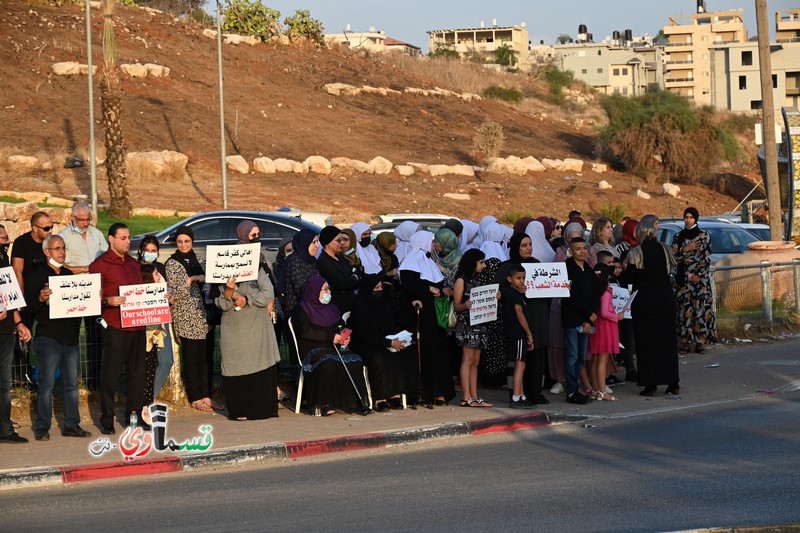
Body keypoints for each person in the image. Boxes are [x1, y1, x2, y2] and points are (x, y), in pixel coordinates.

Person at [27, 235, 92, 440]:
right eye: (57, 249)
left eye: (63, 248)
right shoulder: (36, 276)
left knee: (71, 384)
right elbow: (29, 307)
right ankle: (42, 426)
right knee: (46, 384)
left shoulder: (67, 274)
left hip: (70, 337)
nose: (62, 252)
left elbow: (80, 303)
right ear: (47, 252)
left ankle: (71, 424)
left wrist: (92, 297)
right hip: (49, 337)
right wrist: (40, 298)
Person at [215, 222, 281, 420]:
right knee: (236, 366)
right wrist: (229, 291)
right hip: (235, 328)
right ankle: (239, 410)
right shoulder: (223, 272)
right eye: (253, 235)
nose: (257, 238)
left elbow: (268, 293)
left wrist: (248, 300)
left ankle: (261, 409)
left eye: (258, 234)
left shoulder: (259, 267)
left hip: (257, 328)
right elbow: (223, 302)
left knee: (260, 365)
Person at [90, 223, 147, 434]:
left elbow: (141, 292)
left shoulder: (133, 264)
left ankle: (134, 416)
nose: (127, 241)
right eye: (123, 238)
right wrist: (108, 301)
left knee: (137, 374)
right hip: (114, 326)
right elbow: (90, 298)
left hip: (137, 326)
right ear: (111, 239)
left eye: (129, 237)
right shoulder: (99, 265)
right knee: (111, 375)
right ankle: (106, 417)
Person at [620, 215, 680, 396]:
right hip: (666, 303)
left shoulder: (636, 252)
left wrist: (620, 270)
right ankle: (673, 383)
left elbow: (630, 278)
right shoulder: (665, 249)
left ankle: (650, 384)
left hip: (645, 305)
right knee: (667, 345)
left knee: (647, 346)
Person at [293, 276, 369, 416]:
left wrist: (345, 336)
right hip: (312, 348)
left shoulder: (332, 308)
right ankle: (324, 403)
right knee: (328, 361)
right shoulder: (302, 309)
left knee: (355, 360)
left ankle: (352, 401)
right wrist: (328, 336)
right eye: (325, 289)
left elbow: (341, 325)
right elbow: (304, 331)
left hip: (334, 347)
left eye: (329, 289)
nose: (329, 292)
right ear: (314, 291)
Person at [164, 226, 217, 414]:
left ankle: (206, 394)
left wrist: (201, 280)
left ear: (192, 241)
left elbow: (212, 282)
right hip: (186, 317)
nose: (184, 245)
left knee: (206, 358)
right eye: (180, 242)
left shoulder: (200, 259)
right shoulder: (172, 264)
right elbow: (177, 293)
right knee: (192, 359)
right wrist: (194, 279)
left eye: (187, 241)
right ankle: (195, 397)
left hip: (204, 317)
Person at [398, 231, 455, 407]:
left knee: (438, 352)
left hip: (435, 316)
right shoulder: (410, 262)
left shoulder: (427, 260)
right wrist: (429, 289)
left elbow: (437, 281)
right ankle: (425, 392)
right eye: (431, 242)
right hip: (421, 316)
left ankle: (439, 391)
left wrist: (443, 289)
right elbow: (408, 287)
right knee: (425, 353)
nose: (433, 245)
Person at [349, 274, 421, 411]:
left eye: (381, 286)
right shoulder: (360, 306)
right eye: (376, 287)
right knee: (379, 357)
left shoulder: (384, 304)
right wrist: (388, 343)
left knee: (408, 352)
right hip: (366, 343)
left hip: (386, 339)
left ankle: (397, 394)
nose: (380, 290)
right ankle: (380, 398)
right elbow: (364, 334)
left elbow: (396, 321)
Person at [498, 230, 551, 405]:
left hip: (537, 317)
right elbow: (497, 292)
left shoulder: (537, 264)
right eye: (524, 245)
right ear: (515, 247)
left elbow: (549, 287)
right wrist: (513, 291)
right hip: (517, 321)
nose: (528, 248)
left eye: (530, 244)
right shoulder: (507, 267)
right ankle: (517, 394)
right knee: (518, 360)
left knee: (537, 358)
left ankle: (535, 394)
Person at [59, 201, 108, 390]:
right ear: (72, 217)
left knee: (95, 335)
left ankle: (94, 380)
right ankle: (70, 381)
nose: (85, 223)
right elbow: (62, 266)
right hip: (74, 291)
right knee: (70, 337)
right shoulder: (63, 237)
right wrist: (86, 268)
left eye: (88, 219)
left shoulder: (97, 234)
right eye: (81, 220)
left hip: (95, 292)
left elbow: (105, 257)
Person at [11, 211, 52, 389]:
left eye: (52, 227)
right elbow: (17, 272)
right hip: (26, 297)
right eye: (46, 228)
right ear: (34, 228)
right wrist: (20, 299)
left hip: (45, 297)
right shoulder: (22, 243)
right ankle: (21, 376)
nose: (50, 231)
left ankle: (46, 373)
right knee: (23, 339)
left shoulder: (50, 242)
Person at [0, 224, 33, 444]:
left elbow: (9, 297)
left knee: (4, 382)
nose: (7, 240)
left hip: (5, 331)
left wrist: (19, 322)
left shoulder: (4, 261)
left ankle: (4, 429)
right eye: (3, 237)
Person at [672, 207, 716, 354]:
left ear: (696, 219)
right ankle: (685, 342)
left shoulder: (704, 236)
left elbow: (706, 258)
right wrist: (686, 249)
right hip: (684, 282)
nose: (688, 220)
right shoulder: (678, 237)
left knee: (700, 311)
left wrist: (697, 275)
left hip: (700, 282)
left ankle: (700, 342)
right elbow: (674, 258)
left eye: (691, 217)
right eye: (686, 217)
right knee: (684, 311)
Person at [561, 238, 599, 405]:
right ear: (571, 251)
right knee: (572, 355)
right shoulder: (566, 269)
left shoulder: (589, 270)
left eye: (585, 248)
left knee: (581, 356)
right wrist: (588, 314)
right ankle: (571, 391)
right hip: (572, 320)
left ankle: (577, 389)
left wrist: (590, 319)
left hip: (586, 321)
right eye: (578, 249)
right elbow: (569, 297)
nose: (582, 251)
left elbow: (595, 295)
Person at [453, 249, 492, 407]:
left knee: (476, 361)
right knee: (467, 360)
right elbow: (457, 306)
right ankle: (466, 397)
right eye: (481, 262)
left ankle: (475, 395)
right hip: (467, 324)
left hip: (480, 323)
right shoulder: (461, 280)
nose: (484, 265)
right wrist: (465, 305)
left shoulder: (477, 279)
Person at [137, 237, 174, 400]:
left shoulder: (159, 268)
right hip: (144, 325)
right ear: (140, 251)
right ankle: (141, 400)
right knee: (144, 366)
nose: (151, 254)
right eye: (148, 251)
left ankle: (149, 397)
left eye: (154, 251)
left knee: (166, 361)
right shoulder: (134, 269)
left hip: (162, 322)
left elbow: (167, 289)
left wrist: (169, 296)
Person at [477, 222, 508, 388]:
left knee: (486, 342)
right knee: (496, 344)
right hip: (497, 308)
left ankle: (486, 377)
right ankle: (496, 378)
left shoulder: (482, 252)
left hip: (482, 308)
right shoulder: (498, 258)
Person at [502, 264, 536, 408]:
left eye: (523, 278)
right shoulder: (514, 294)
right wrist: (529, 334)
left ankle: (521, 395)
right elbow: (519, 314)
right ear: (509, 279)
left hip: (512, 333)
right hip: (518, 333)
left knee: (519, 363)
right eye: (518, 278)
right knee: (520, 364)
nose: (521, 281)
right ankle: (516, 397)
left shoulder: (509, 293)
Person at [588, 263, 622, 401]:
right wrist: (617, 317)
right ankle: (602, 391)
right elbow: (604, 312)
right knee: (602, 360)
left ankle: (596, 389)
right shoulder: (605, 292)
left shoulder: (595, 290)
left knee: (595, 359)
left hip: (597, 326)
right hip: (606, 327)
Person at [316, 226, 360, 313]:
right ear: (328, 242)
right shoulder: (324, 262)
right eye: (338, 240)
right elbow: (342, 283)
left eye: (342, 239)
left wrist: (353, 277)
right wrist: (355, 278)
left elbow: (355, 271)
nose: (341, 243)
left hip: (351, 301)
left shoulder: (340, 256)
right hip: (339, 306)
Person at [279, 228, 320, 318]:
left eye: (317, 241)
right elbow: (301, 289)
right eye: (313, 242)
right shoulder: (295, 261)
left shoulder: (312, 260)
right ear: (304, 243)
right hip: (299, 312)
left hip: (314, 308)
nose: (317, 245)